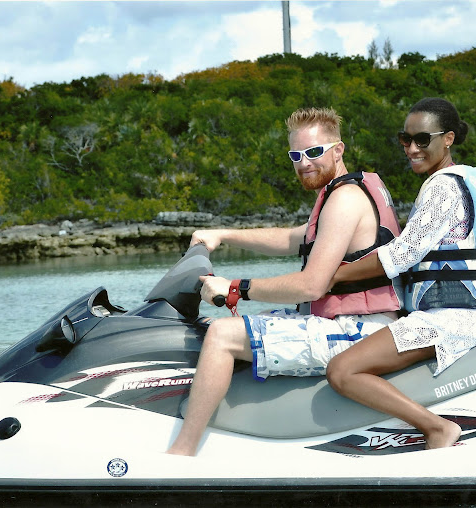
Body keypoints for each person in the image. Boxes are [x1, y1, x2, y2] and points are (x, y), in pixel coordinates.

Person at [167, 107, 402, 456]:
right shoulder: (344, 191)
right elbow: (294, 238)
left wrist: (236, 288)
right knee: (219, 327)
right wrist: (223, 234)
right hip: (349, 322)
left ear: (338, 150)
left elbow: (311, 286)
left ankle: (181, 454)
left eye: (313, 152)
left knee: (222, 335)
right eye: (295, 155)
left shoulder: (345, 199)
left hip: (358, 330)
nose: (303, 163)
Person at [325, 97, 476, 450]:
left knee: (341, 370)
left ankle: (437, 428)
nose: (411, 148)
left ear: (448, 139)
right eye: (405, 139)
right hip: (470, 315)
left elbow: (401, 255)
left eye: (422, 139)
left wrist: (334, 276)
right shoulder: (466, 179)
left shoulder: (443, 187)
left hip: (449, 319)